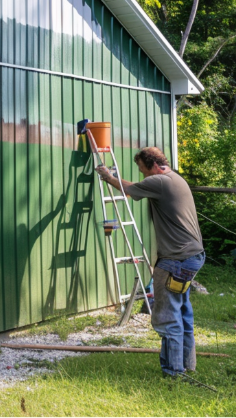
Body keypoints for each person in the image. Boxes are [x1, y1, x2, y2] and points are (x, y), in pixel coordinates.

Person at [95, 147, 204, 379]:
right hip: (193, 257)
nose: (143, 175)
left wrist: (107, 176)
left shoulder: (159, 181)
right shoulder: (175, 179)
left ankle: (174, 372)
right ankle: (188, 364)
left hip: (175, 260)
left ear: (152, 165)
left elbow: (129, 189)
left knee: (168, 315)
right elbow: (135, 188)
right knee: (183, 311)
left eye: (142, 169)